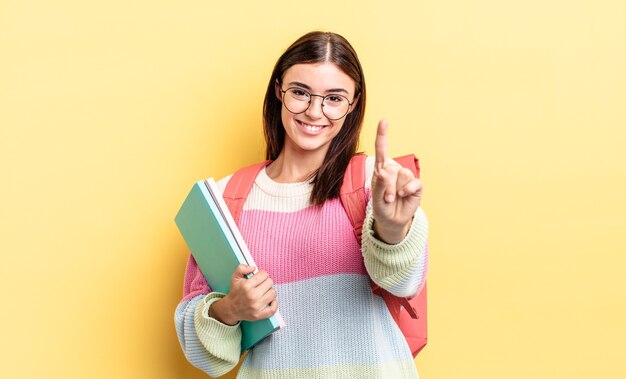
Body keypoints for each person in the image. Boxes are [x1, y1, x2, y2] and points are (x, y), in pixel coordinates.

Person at [175, 31, 429, 379]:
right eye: (300, 93)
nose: (314, 111)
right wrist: (230, 309)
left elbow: (405, 283)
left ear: (353, 103)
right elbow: (201, 354)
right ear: (279, 90)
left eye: (334, 98)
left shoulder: (376, 182)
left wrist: (393, 229)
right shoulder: (226, 198)